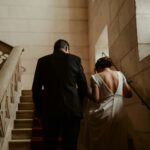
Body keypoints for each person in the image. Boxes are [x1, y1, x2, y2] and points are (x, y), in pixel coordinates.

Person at [32, 39, 87, 150]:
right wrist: (79, 106)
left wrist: (39, 112)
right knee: (70, 145)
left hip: (49, 111)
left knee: (49, 145)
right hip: (72, 111)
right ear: (67, 49)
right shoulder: (75, 60)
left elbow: (35, 89)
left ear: (55, 49)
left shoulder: (42, 61)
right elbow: (83, 87)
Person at [79, 56, 132, 150]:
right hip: (120, 113)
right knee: (117, 142)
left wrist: (87, 91)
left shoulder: (95, 77)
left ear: (98, 67)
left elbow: (96, 98)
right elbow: (129, 94)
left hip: (104, 114)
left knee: (103, 143)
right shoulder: (120, 74)